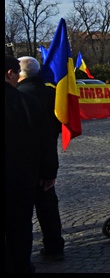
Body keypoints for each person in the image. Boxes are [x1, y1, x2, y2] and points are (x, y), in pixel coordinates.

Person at [5, 54, 55, 273]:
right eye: (17, 73)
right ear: (10, 74)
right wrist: (49, 172)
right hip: (21, 179)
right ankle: (21, 266)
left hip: (20, 177)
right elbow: (46, 141)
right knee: (20, 228)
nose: (18, 78)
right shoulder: (28, 103)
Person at [17, 56, 65, 262]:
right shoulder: (54, 94)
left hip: (22, 163)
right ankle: (54, 247)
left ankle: (20, 254)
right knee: (48, 208)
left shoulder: (17, 96)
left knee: (20, 212)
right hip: (47, 157)